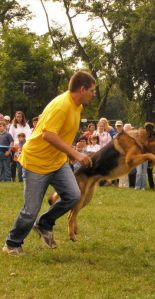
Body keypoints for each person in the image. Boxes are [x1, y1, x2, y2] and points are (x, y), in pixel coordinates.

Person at [3, 71, 95, 255]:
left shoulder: (77, 106)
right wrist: (75, 153)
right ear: (82, 89)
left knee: (73, 195)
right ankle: (12, 244)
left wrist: (66, 152)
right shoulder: (62, 105)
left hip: (57, 162)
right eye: (92, 90)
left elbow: (62, 133)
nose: (93, 94)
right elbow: (48, 134)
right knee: (30, 211)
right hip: (36, 162)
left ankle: (44, 224)